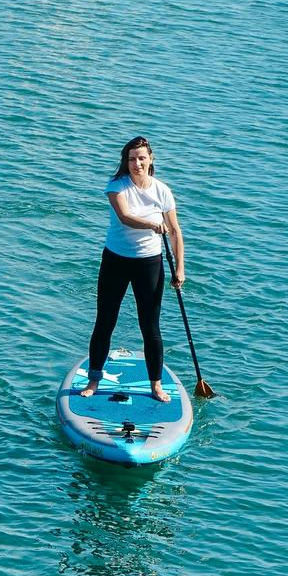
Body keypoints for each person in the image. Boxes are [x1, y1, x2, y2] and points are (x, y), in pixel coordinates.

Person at [81, 135, 185, 401]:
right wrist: (152, 225)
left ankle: (156, 385)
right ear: (125, 162)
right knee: (105, 321)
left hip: (149, 264)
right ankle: (94, 380)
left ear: (151, 160)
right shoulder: (117, 185)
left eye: (141, 158)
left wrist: (180, 268)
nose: (136, 164)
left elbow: (174, 231)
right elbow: (125, 217)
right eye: (131, 159)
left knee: (150, 327)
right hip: (116, 260)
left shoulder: (162, 191)